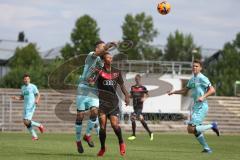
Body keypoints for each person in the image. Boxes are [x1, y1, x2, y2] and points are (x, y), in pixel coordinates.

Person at [168, 59, 220, 153]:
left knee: (190, 129)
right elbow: (185, 90)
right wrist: (174, 92)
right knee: (195, 131)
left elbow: (212, 90)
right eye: (193, 66)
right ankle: (207, 148)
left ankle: (213, 125)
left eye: (196, 66)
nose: (194, 67)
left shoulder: (202, 78)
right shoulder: (192, 79)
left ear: (200, 68)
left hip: (202, 105)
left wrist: (203, 96)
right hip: (196, 106)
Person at [75, 40, 116, 153]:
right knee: (80, 116)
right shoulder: (91, 56)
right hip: (83, 88)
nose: (104, 50)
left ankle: (87, 135)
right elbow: (100, 52)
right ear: (97, 48)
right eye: (102, 47)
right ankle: (78, 141)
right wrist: (109, 46)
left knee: (94, 112)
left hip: (93, 90)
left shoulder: (103, 63)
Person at [94, 52, 130, 156]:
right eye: (108, 57)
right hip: (102, 103)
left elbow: (122, 86)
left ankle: (121, 142)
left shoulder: (117, 72)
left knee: (114, 125)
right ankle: (102, 148)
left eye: (111, 57)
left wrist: (127, 96)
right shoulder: (99, 71)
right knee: (102, 127)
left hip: (113, 102)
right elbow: (92, 82)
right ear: (104, 60)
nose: (110, 59)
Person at [12, 74, 44, 140]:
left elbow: (38, 94)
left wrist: (37, 100)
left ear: (29, 80)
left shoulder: (33, 86)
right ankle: (35, 135)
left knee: (26, 121)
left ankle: (39, 126)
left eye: (27, 79)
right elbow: (22, 97)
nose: (26, 80)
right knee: (25, 122)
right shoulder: (23, 87)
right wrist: (16, 98)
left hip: (31, 105)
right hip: (25, 106)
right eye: (25, 79)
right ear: (23, 80)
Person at [128, 74, 153, 141]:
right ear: (135, 80)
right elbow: (131, 96)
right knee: (141, 119)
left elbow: (147, 95)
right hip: (135, 106)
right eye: (136, 79)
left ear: (140, 79)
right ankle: (150, 133)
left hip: (139, 106)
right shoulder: (132, 87)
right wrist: (128, 96)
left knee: (133, 117)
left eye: (138, 79)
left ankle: (133, 135)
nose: (137, 80)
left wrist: (144, 98)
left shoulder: (143, 88)